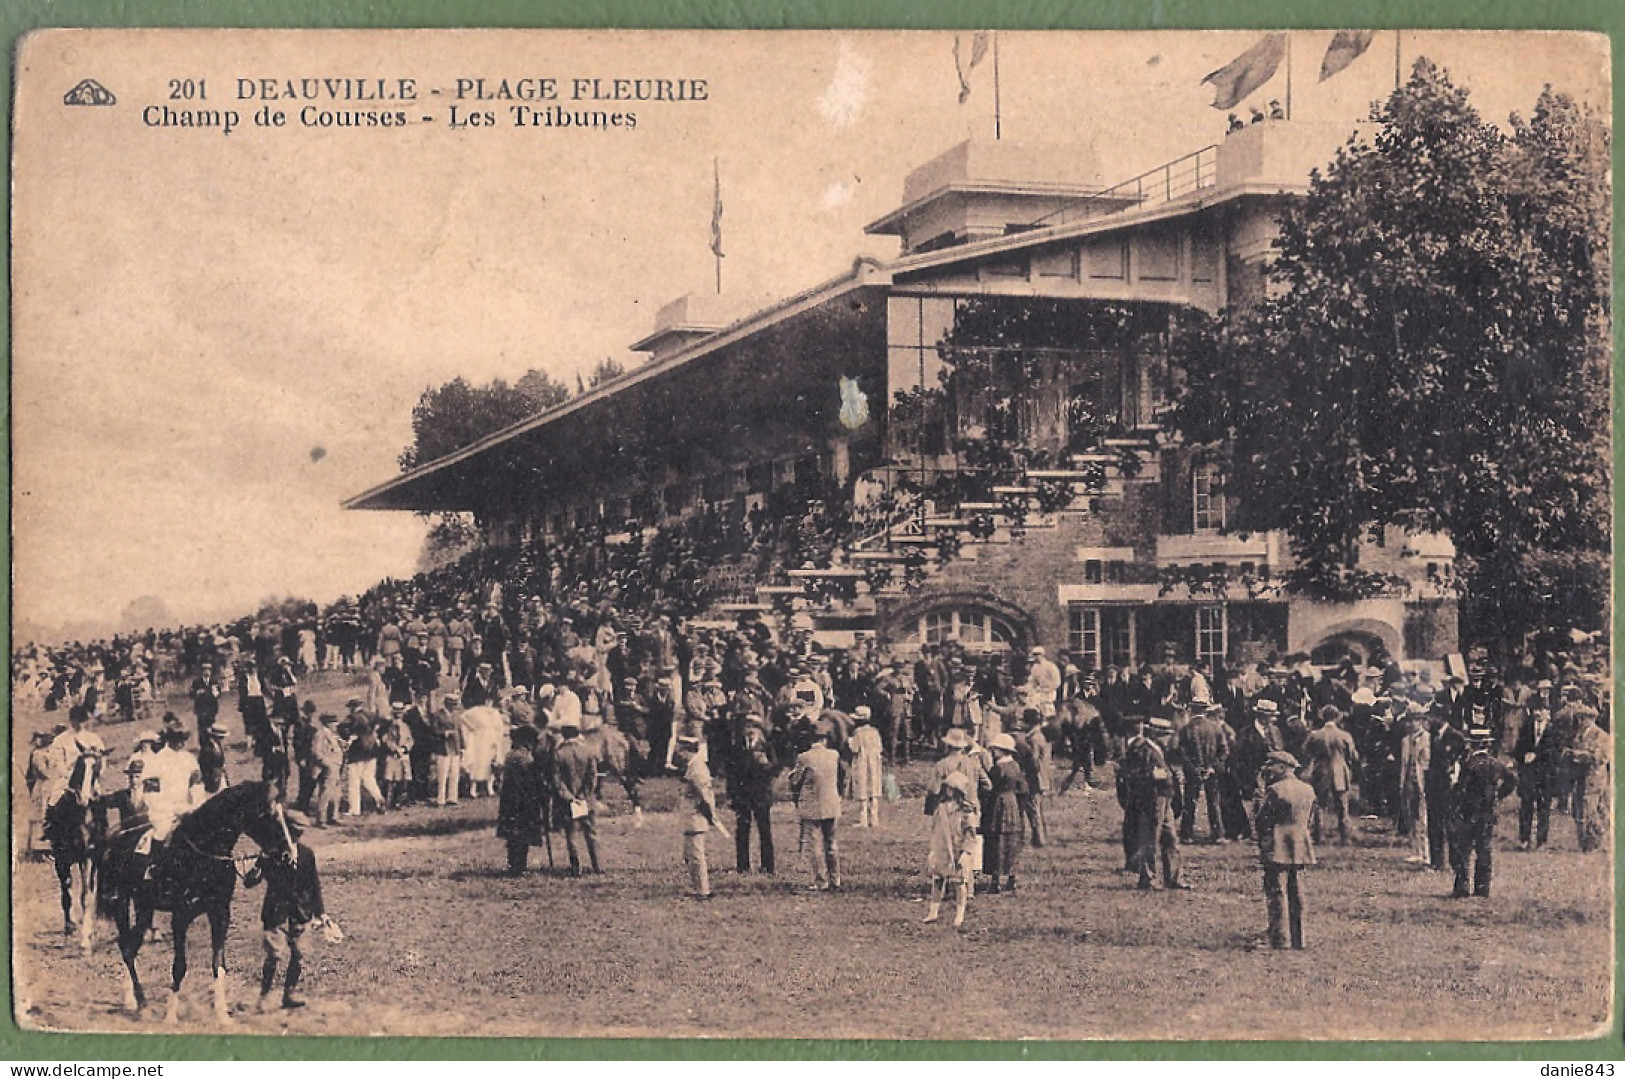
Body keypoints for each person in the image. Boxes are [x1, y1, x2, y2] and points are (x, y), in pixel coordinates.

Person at [245, 810, 329, 1011]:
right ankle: (264, 995)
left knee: (298, 954)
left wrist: (321, 912)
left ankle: (289, 994)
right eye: (294, 832)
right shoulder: (271, 854)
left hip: (300, 912)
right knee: (274, 955)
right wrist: (261, 864)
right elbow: (250, 882)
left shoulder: (306, 854)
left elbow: (313, 884)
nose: (296, 836)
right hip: (276, 912)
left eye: (300, 833)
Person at [1254, 751, 1315, 950]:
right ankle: (1299, 937)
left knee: (1276, 891)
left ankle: (1279, 937)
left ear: (1283, 767)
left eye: (1272, 765)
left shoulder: (1275, 790)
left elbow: (1262, 819)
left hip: (1278, 842)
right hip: (1300, 842)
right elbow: (1311, 819)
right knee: (1296, 891)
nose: (1268, 770)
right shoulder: (1307, 789)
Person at [1448, 726, 1517, 897]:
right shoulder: (1495, 764)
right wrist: (1498, 796)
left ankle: (1462, 886)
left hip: (1468, 812)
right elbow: (1512, 780)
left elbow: (1460, 788)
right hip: (1487, 813)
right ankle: (1482, 887)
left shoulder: (1467, 763)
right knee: (1484, 850)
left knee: (1463, 849)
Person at [787, 726, 843, 892]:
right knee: (831, 843)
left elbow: (795, 780)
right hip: (832, 803)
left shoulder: (804, 757)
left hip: (812, 804)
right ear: (825, 739)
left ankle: (821, 880)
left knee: (815, 844)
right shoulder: (834, 755)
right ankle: (836, 879)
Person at [675, 734, 729, 899]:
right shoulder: (694, 766)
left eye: (680, 750)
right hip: (693, 817)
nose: (678, 754)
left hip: (695, 818)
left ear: (687, 751)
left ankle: (702, 890)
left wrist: (710, 816)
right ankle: (699, 888)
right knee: (690, 854)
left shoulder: (697, 768)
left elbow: (705, 796)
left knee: (695, 855)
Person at [923, 771, 978, 927]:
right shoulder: (939, 808)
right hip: (940, 850)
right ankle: (933, 912)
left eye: (952, 788)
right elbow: (934, 830)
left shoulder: (966, 811)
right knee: (937, 881)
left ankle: (959, 915)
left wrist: (966, 852)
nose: (948, 791)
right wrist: (932, 851)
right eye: (947, 788)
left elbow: (970, 835)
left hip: (957, 850)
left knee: (959, 884)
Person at [1301, 705, 1359, 844]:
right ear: (1337, 717)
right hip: (1340, 771)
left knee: (1319, 804)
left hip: (1321, 771)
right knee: (1342, 804)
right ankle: (1345, 836)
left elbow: (1305, 751)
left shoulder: (1315, 735)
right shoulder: (1345, 735)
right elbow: (1353, 755)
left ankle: (1318, 834)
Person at [551, 717, 602, 876]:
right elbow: (593, 776)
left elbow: (557, 781)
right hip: (586, 799)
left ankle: (575, 866)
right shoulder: (587, 751)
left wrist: (569, 797)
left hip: (569, 801)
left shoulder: (559, 754)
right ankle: (597, 865)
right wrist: (585, 794)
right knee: (591, 833)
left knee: (571, 834)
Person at [729, 717, 778, 874]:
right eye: (747, 726)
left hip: (761, 794)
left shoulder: (767, 747)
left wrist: (765, 765)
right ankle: (742, 866)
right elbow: (731, 774)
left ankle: (768, 866)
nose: (750, 730)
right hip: (743, 795)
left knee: (764, 830)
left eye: (754, 727)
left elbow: (776, 768)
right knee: (742, 830)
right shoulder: (736, 747)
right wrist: (732, 795)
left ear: (760, 730)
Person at [1177, 701, 1232, 844]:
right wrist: (1212, 767)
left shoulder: (1185, 729)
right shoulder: (1215, 728)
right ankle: (1217, 834)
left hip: (1192, 772)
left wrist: (1194, 769)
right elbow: (1224, 751)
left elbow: (1182, 754)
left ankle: (1186, 834)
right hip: (1211, 771)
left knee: (1189, 802)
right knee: (1213, 802)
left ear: (1191, 711)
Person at [495, 725, 545, 875]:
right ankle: (518, 867)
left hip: (510, 800)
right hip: (522, 800)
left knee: (514, 834)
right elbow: (530, 780)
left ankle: (515, 865)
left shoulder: (511, 754)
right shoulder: (523, 758)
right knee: (521, 833)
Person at [983, 732, 1029, 895]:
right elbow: (1023, 788)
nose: (993, 752)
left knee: (996, 840)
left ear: (1001, 750)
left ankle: (995, 881)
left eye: (995, 750)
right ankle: (1012, 878)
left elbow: (988, 788)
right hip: (1012, 804)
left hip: (998, 804)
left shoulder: (998, 768)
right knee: (1012, 841)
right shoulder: (1016, 766)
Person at [1565, 708, 1611, 853]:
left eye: (1582, 718)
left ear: (1590, 719)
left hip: (1594, 778)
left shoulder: (1601, 736)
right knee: (1578, 808)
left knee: (1592, 809)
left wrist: (1577, 755)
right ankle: (1584, 841)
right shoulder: (1579, 734)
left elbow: (1601, 757)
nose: (1580, 721)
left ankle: (1595, 842)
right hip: (1579, 777)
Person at [1512, 698, 1555, 850]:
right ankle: (1524, 840)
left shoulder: (1552, 730)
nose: (1537, 713)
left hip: (1545, 775)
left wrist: (1536, 755)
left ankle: (1541, 841)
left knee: (1543, 807)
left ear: (1547, 712)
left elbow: (1553, 752)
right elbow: (1517, 748)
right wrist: (1522, 756)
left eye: (1541, 709)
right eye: (1535, 710)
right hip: (1528, 775)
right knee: (1526, 806)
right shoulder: (1526, 728)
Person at [847, 706, 884, 828]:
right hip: (874, 762)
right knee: (873, 787)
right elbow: (880, 747)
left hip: (862, 762)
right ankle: (874, 819)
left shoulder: (858, 733)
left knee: (862, 788)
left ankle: (863, 819)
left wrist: (849, 741)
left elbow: (854, 748)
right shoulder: (875, 732)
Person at [198, 723, 230, 794]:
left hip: (219, 776)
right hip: (212, 778)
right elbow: (205, 765)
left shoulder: (217, 745)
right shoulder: (208, 749)